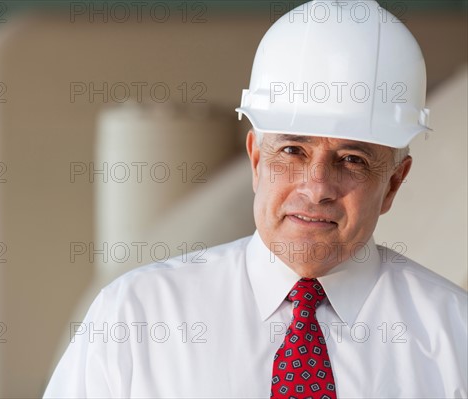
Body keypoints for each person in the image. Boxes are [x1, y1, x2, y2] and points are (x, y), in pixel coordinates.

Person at [44, 0, 467, 397]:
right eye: (292, 151)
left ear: (393, 182)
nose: (317, 186)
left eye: (352, 159)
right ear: (255, 160)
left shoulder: (455, 336)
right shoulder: (135, 317)